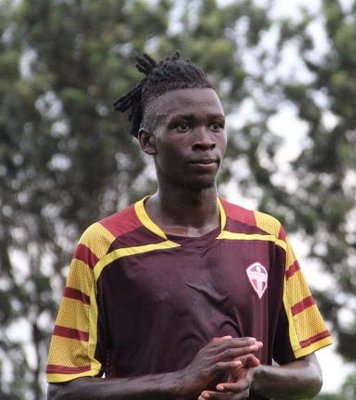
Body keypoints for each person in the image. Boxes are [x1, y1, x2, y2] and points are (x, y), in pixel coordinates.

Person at [46, 52, 333, 400]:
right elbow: (64, 391)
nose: (205, 140)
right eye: (183, 126)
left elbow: (310, 375)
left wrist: (256, 377)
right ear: (148, 141)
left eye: (216, 125)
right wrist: (180, 382)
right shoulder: (104, 244)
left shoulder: (267, 237)